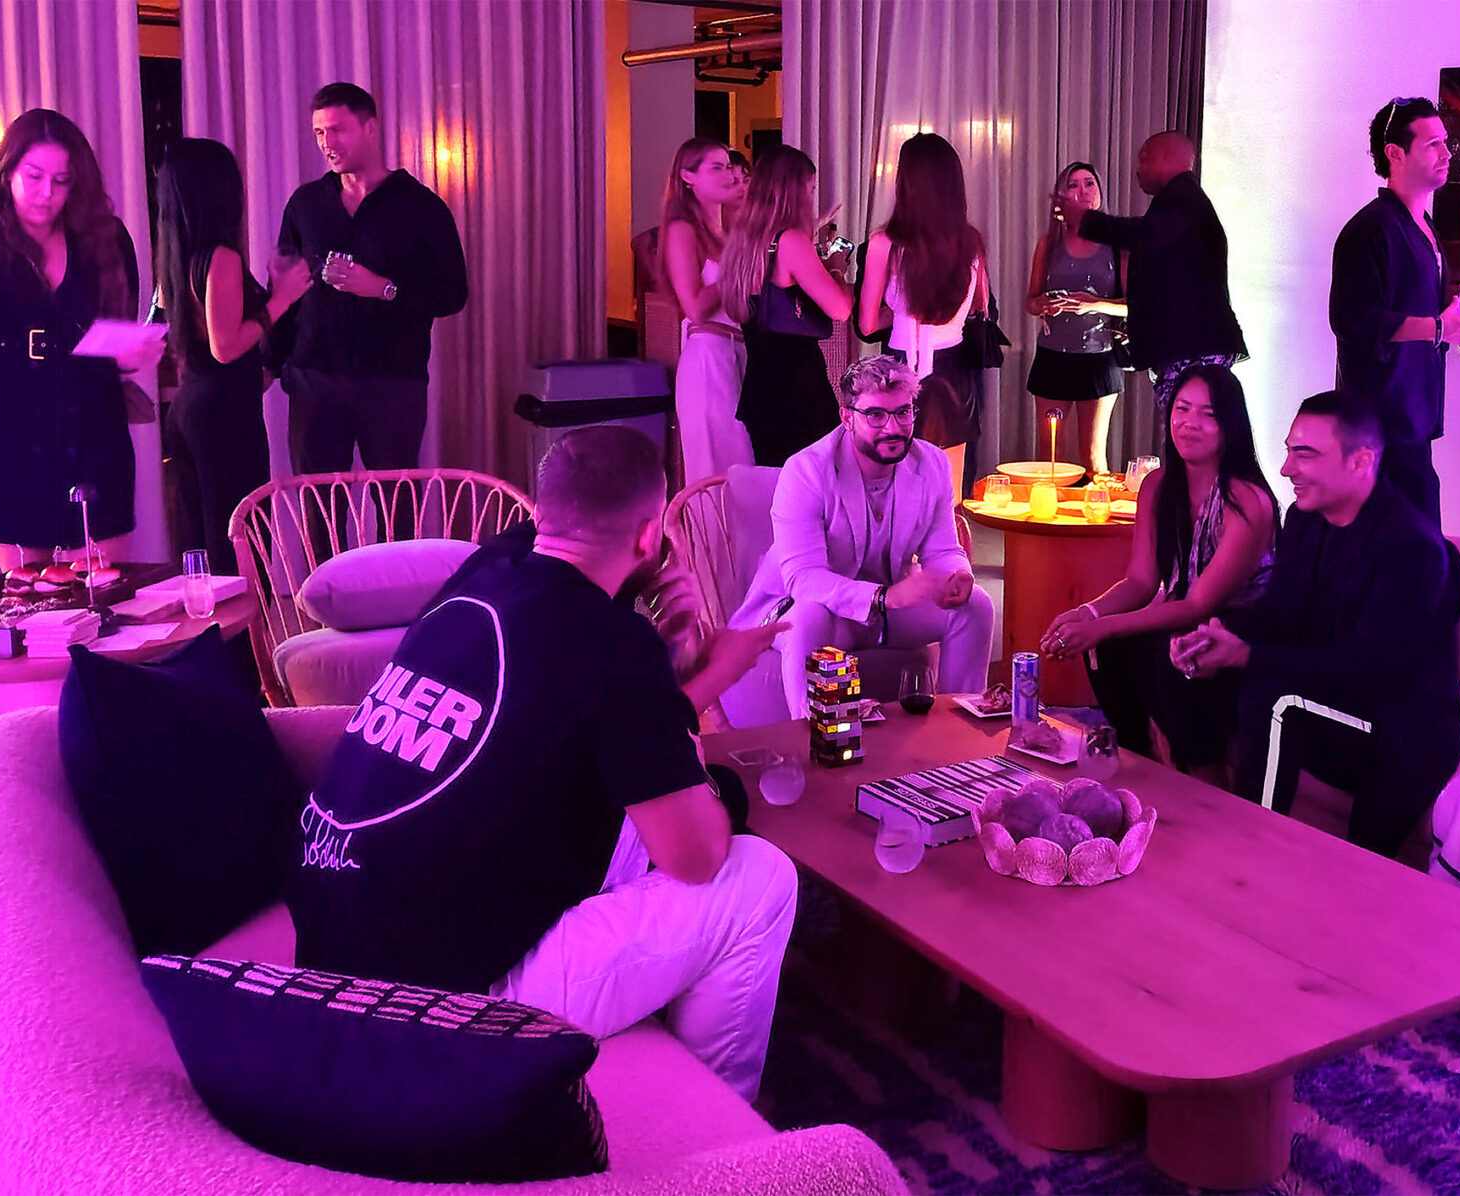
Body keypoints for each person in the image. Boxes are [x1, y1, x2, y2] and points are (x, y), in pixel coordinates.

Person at [289, 426, 799, 1101]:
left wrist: (660, 623)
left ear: (541, 511)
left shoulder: (488, 569)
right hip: (434, 1014)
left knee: (646, 804)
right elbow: (697, 858)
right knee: (758, 878)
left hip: (331, 943)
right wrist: (715, 671)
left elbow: (596, 712)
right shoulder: (614, 643)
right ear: (651, 536)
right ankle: (720, 1117)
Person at [1169, 392, 1460, 857]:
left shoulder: (1411, 548)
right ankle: (1179, 808)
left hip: (1400, 726)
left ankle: (1246, 852)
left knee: (1276, 699)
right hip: (1334, 698)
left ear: (1361, 461)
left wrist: (1248, 656)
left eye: (1305, 454)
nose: (1286, 468)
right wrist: (1218, 635)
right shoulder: (1306, 520)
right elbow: (1280, 615)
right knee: (1183, 660)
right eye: (1289, 451)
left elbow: (1370, 674)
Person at [1039, 364, 1275, 778]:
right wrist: (1088, 614)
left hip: (1239, 623)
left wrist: (1102, 626)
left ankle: (1199, 775)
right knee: (1106, 647)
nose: (1190, 423)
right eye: (1182, 409)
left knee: (1169, 653)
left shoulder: (1246, 500)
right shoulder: (1158, 485)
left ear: (1230, 424)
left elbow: (1201, 604)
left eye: (1208, 414)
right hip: (1184, 607)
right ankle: (1140, 758)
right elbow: (1142, 580)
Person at [0, 108, 159, 574]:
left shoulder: (104, 236)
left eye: (61, 180)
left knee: (101, 585)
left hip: (88, 415)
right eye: (34, 177)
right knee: (28, 593)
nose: (46, 193)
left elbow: (118, 327)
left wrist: (128, 354)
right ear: (8, 171)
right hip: (8, 418)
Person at [747, 355, 992, 714]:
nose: (893, 427)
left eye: (903, 412)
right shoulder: (806, 471)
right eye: (875, 415)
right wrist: (882, 597)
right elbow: (804, 579)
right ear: (847, 418)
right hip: (815, 609)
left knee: (976, 606)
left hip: (889, 608)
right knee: (808, 617)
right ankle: (812, 736)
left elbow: (943, 550)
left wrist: (957, 576)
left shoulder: (932, 464)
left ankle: (956, 726)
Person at [274, 82, 468, 473]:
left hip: (392, 379)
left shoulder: (421, 206)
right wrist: (271, 360)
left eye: (337, 129)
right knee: (317, 500)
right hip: (315, 378)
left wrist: (383, 288)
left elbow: (452, 294)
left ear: (370, 128)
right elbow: (284, 288)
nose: (327, 143)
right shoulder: (305, 204)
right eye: (319, 132)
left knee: (395, 499)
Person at [1329, 97, 1460, 526]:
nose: (1446, 154)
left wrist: (1456, 308)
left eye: (1446, 142)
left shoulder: (1425, 228)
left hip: (1413, 416)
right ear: (1395, 153)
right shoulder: (1369, 229)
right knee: (1392, 542)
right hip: (1378, 421)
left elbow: (1409, 300)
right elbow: (1352, 320)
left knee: (1417, 538)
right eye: (1433, 144)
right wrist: (1439, 327)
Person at [153, 137, 311, 574]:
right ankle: (241, 621)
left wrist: (269, 294)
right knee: (238, 541)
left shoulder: (178, 255)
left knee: (199, 540)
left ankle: (208, 617)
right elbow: (225, 348)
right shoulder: (220, 257)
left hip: (192, 406)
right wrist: (281, 299)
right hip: (222, 416)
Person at [1053, 132, 1248, 412]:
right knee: (1185, 426)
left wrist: (1085, 221)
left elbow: (1144, 235)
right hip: (1191, 344)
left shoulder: (1183, 198)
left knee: (1189, 427)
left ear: (1167, 158)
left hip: (1195, 345)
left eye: (1144, 159)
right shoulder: (1182, 200)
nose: (1138, 170)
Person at [858, 133, 990, 481]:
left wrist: (900, 312)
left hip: (902, 368)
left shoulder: (885, 243)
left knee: (898, 487)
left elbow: (867, 323)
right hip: (956, 372)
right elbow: (978, 306)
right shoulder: (970, 242)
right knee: (951, 492)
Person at [720, 147, 852, 467]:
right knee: (814, 483)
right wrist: (836, 268)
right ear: (796, 190)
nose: (812, 197)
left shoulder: (744, 240)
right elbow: (840, 309)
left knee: (774, 483)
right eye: (811, 188)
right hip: (798, 386)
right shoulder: (790, 241)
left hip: (760, 386)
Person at [1023, 160, 1127, 474]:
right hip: (1053, 357)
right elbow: (1030, 301)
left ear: (1100, 191)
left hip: (1100, 358)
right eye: (1073, 185)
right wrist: (1043, 305)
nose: (1082, 191)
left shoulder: (1118, 245)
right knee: (1050, 457)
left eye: (1089, 183)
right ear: (1063, 196)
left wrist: (1095, 304)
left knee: (1093, 457)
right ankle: (1048, 508)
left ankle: (1097, 507)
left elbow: (1135, 304)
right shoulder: (1049, 243)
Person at [661, 136, 753, 481]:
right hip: (708, 358)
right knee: (717, 469)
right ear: (688, 177)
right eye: (716, 168)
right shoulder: (682, 229)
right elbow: (695, 307)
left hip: (739, 353)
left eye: (728, 166)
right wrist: (738, 264)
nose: (729, 175)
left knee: (744, 467)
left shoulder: (728, 233)